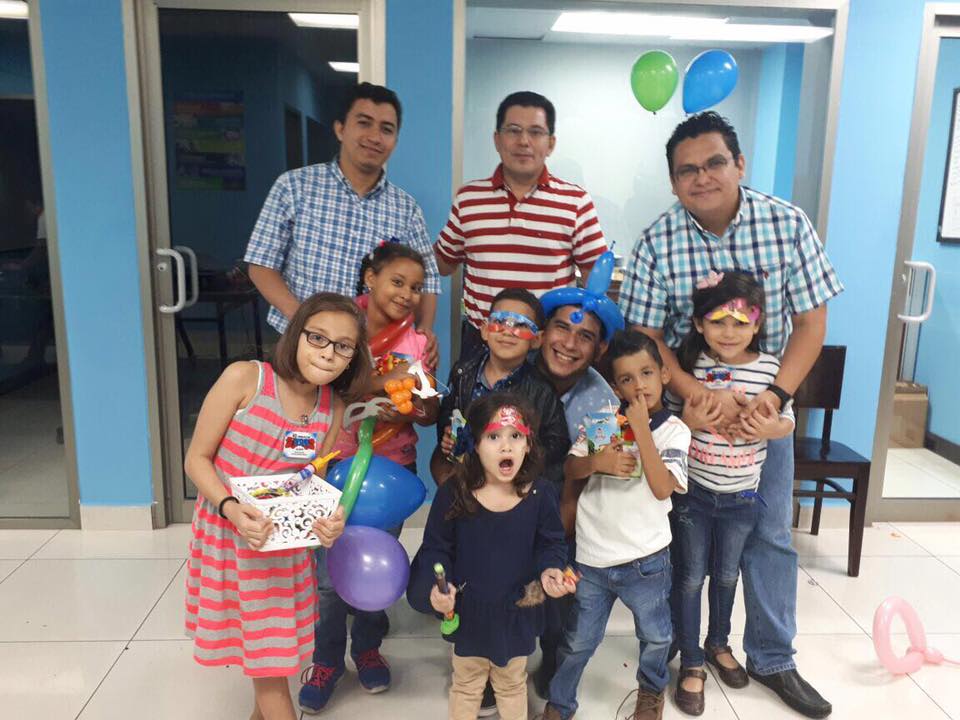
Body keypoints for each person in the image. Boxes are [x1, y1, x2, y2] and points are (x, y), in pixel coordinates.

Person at [619, 111, 842, 719]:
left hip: (763, 419)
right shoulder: (657, 241)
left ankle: (771, 656)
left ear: (739, 164)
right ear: (673, 181)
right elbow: (645, 335)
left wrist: (774, 397)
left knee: (770, 536)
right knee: (681, 544)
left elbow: (811, 322)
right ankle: (680, 648)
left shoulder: (786, 223)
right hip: (687, 422)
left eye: (715, 162)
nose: (702, 177)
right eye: (687, 170)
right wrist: (696, 393)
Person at [183, 292, 369, 720]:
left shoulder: (333, 408)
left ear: (353, 357)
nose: (328, 352)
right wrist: (232, 509)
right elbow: (196, 459)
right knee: (268, 668)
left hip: (284, 552)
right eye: (318, 337)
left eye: (343, 346)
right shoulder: (245, 379)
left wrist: (330, 518)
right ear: (296, 334)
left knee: (270, 655)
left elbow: (312, 483)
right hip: (233, 542)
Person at [298, 242, 439, 713]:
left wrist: (414, 405)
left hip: (391, 473)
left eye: (416, 287)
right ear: (370, 278)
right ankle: (325, 660)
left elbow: (429, 410)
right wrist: (387, 381)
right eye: (397, 282)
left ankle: (368, 647)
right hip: (333, 467)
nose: (407, 294)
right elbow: (331, 383)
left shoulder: (417, 344)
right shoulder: (340, 331)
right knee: (327, 578)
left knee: (377, 563)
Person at [540, 330, 691, 720]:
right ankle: (560, 703)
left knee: (656, 636)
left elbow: (662, 488)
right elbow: (571, 469)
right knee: (578, 641)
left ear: (664, 374)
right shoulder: (605, 423)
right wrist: (597, 462)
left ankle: (651, 691)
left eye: (646, 373)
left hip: (647, 560)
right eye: (627, 378)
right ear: (615, 386)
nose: (638, 385)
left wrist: (641, 430)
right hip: (593, 559)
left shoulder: (675, 431)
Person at [670, 272, 796, 716]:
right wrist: (690, 422)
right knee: (690, 576)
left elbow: (788, 421)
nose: (728, 332)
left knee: (727, 576)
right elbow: (672, 423)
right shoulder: (692, 369)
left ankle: (718, 643)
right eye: (717, 321)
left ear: (758, 324)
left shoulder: (771, 369)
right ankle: (691, 659)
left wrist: (772, 428)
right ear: (699, 324)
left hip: (742, 497)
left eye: (740, 322)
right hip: (694, 495)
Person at [408, 393, 575, 720]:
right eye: (494, 437)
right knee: (467, 684)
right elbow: (436, 549)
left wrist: (550, 570)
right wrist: (437, 588)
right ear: (474, 444)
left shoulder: (540, 493)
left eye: (516, 436)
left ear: (528, 444)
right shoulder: (454, 492)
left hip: (517, 612)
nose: (506, 446)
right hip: (470, 611)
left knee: (512, 684)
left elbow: (552, 543)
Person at [244, 82, 441, 357]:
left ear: (395, 141)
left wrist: (424, 329)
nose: (375, 137)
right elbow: (261, 265)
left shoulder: (406, 209)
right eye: (364, 123)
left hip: (374, 351)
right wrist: (304, 320)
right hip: (301, 343)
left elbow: (428, 278)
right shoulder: (294, 187)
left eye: (386, 129)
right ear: (340, 129)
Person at [433, 91, 608, 362]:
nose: (524, 141)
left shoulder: (575, 202)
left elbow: (595, 282)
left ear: (550, 143)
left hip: (544, 348)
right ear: (497, 139)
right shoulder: (469, 199)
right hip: (483, 343)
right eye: (513, 130)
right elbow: (442, 264)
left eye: (535, 132)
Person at [431, 287, 569, 492]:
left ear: (537, 340)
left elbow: (556, 444)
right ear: (485, 330)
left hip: (513, 486)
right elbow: (448, 415)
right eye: (500, 321)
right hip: (466, 478)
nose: (507, 331)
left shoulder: (542, 391)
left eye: (521, 325)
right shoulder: (462, 373)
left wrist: (525, 452)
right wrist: (448, 436)